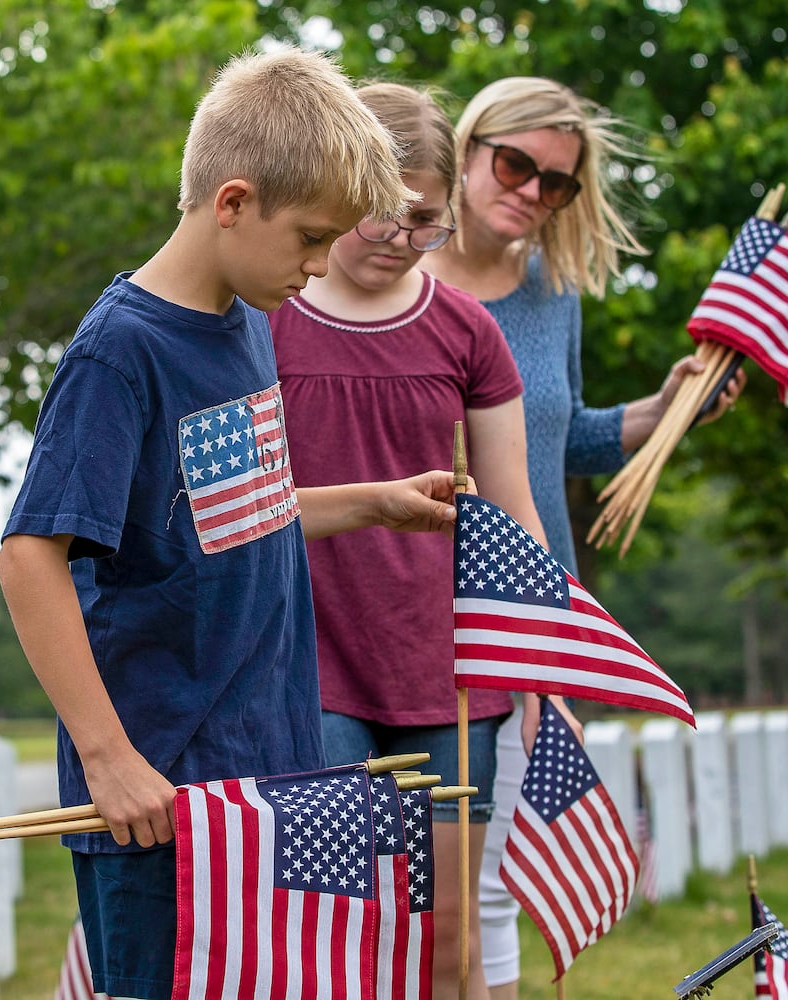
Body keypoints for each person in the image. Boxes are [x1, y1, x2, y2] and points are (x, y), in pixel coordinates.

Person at [0, 48, 462, 1000]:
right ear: (234, 202)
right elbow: (28, 555)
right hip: (160, 797)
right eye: (312, 237)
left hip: (272, 773)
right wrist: (108, 758)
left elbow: (230, 517)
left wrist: (373, 503)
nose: (323, 265)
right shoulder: (122, 353)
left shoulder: (244, 320)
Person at [420, 76, 745, 998]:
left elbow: (561, 439)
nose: (530, 191)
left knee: (494, 884)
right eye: (515, 164)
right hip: (412, 610)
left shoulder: (553, 296)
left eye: (554, 183)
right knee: (416, 882)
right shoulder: (393, 274)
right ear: (471, 148)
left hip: (526, 615)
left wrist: (667, 407)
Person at [269, 81, 560, 999]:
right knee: (336, 933)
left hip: (443, 670)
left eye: (425, 222)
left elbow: (513, 511)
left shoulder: (468, 330)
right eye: (382, 215)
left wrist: (545, 668)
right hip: (304, 662)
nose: (400, 238)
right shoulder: (266, 318)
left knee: (448, 941)